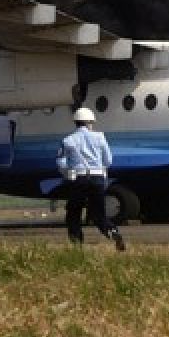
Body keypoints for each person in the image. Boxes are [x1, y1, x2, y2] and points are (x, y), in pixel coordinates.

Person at [56, 107, 126, 250]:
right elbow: (108, 161)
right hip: (98, 179)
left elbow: (61, 162)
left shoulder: (67, 140)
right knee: (99, 214)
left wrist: (68, 173)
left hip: (78, 179)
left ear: (76, 122)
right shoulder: (100, 137)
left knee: (74, 213)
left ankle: (77, 244)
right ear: (90, 122)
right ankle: (113, 232)